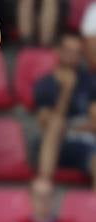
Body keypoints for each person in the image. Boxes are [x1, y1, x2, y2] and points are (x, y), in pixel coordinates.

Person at [34, 33, 96, 188]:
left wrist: (70, 127)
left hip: (85, 143)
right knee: (56, 123)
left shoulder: (90, 82)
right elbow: (46, 123)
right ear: (58, 51)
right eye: (68, 50)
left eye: (77, 52)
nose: (72, 56)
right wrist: (66, 91)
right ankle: (44, 185)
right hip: (56, 145)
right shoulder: (45, 84)